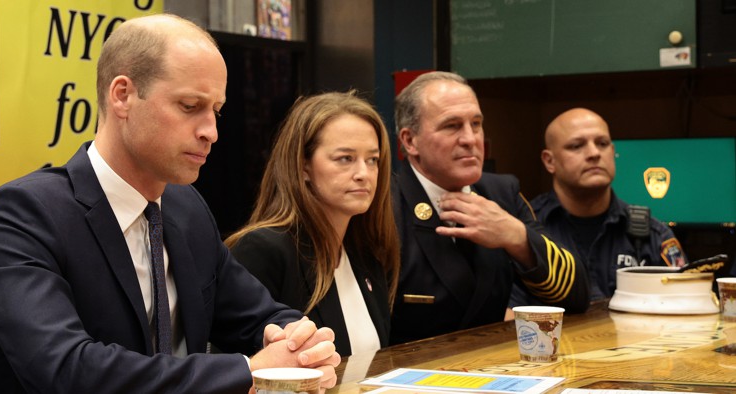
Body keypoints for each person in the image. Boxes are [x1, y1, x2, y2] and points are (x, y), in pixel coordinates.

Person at [0, 14, 339, 393]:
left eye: (215, 110)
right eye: (189, 106)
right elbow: (67, 369)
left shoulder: (186, 208)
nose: (211, 132)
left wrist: (301, 346)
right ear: (122, 96)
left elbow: (260, 316)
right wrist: (248, 370)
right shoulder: (24, 213)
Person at [389, 71, 590, 345]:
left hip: (493, 369)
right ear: (410, 141)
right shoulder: (386, 204)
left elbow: (576, 295)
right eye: (452, 126)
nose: (471, 139)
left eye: (476, 123)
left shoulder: (500, 193)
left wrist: (516, 236)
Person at [225, 92, 400, 358]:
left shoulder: (367, 254)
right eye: (345, 158)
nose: (363, 174)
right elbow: (235, 365)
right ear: (304, 166)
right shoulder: (264, 249)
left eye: (372, 160)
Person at [518, 107, 687, 302]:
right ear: (549, 161)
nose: (594, 153)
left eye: (602, 143)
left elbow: (686, 305)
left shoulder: (652, 234)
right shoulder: (526, 229)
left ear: (613, 151)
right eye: (576, 146)